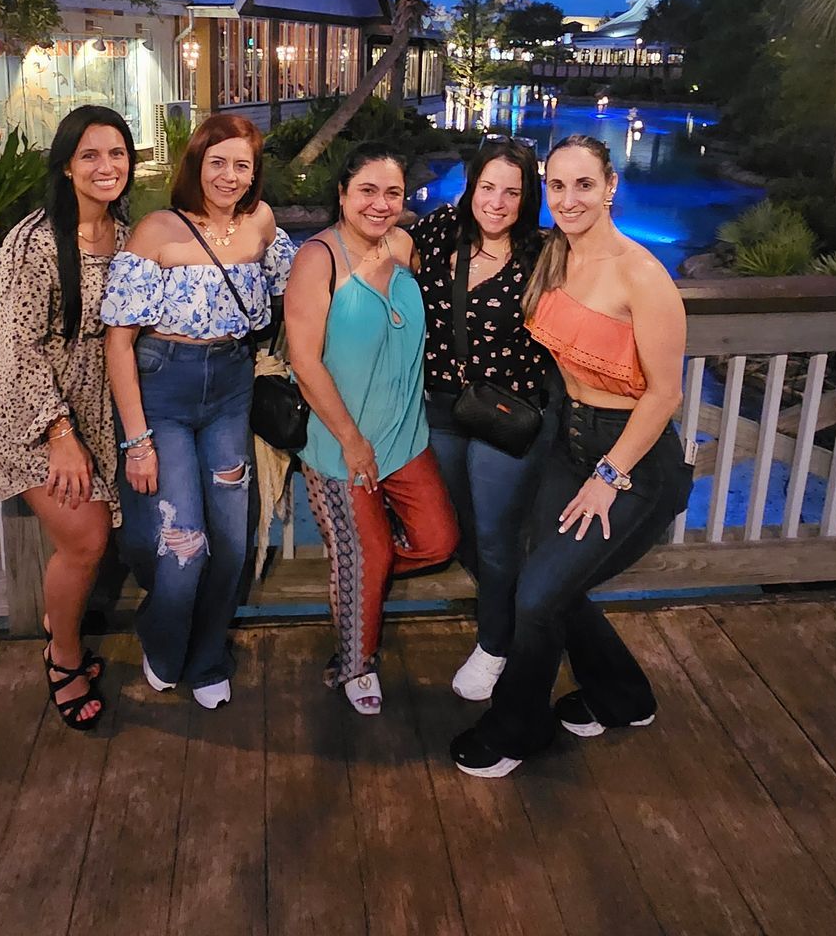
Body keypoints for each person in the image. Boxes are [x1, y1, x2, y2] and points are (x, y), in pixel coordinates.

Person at [450, 133, 693, 777]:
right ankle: (623, 695)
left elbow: (665, 393)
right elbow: (471, 230)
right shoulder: (553, 255)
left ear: (611, 186)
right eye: (556, 185)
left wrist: (611, 476)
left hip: (633, 463)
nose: (569, 198)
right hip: (569, 442)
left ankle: (514, 729)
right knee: (550, 584)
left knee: (536, 598)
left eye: (584, 184)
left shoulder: (642, 274)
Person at [104, 114, 294, 709]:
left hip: (232, 387)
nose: (230, 176)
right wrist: (136, 441)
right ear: (196, 165)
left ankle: (209, 653)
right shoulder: (158, 229)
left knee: (232, 545)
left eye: (242, 165)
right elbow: (118, 342)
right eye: (218, 162)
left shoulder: (260, 222)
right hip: (164, 386)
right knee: (183, 546)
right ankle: (164, 639)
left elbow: (302, 280)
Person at [285, 142, 458, 715]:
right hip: (342, 447)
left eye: (392, 193)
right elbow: (304, 362)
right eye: (367, 190)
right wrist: (353, 441)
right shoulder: (318, 259)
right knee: (368, 554)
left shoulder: (403, 245)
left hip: (406, 439)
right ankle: (355, 664)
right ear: (341, 193)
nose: (380, 204)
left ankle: (361, 577)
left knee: (438, 542)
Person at [0, 105, 134, 731]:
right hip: (35, 410)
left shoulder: (125, 232)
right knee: (86, 538)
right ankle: (62, 654)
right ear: (67, 165)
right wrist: (60, 435)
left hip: (96, 406)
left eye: (116, 153)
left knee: (92, 541)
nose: (105, 166)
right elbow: (18, 348)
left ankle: (59, 626)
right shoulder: (35, 240)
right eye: (90, 155)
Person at [410, 138, 557, 701]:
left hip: (507, 413)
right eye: (487, 187)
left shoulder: (542, 255)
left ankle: (496, 643)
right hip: (442, 407)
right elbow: (386, 248)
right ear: (472, 186)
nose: (496, 202)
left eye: (512, 192)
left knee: (496, 536)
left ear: (527, 199)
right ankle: (520, 616)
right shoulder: (441, 230)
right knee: (462, 529)